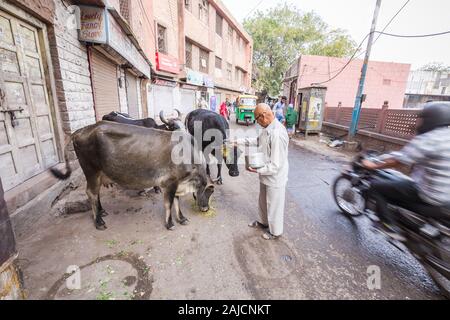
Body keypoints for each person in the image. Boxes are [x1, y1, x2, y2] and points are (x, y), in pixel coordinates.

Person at [362, 102, 450, 236]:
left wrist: (373, 165)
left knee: (376, 186)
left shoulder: (429, 139)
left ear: (430, 120)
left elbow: (400, 161)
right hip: (446, 195)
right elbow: (407, 155)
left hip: (430, 195)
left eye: (421, 120)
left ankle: (388, 225)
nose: (419, 123)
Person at [234, 103, 289, 240]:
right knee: (263, 201)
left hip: (274, 176)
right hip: (265, 173)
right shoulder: (267, 128)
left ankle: (275, 232)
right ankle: (264, 222)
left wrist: (257, 170)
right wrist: (238, 141)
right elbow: (257, 141)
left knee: (274, 204)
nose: (257, 123)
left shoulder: (277, 133)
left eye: (257, 119)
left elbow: (276, 165)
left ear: (264, 116)